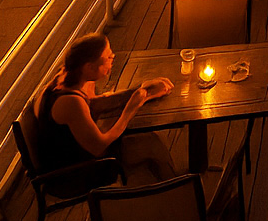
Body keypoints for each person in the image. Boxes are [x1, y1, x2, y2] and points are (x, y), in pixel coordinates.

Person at [36, 34, 175, 183]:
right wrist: (131, 108)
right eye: (108, 57)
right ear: (89, 66)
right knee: (150, 143)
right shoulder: (71, 102)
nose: (113, 57)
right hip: (70, 173)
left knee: (143, 138)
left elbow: (94, 104)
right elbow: (99, 147)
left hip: (75, 150)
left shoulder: (69, 76)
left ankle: (166, 183)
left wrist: (141, 90)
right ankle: (177, 188)